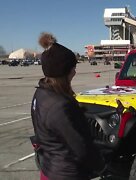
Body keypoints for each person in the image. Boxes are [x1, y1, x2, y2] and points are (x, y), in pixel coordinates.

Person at [31, 32, 105, 180]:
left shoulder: (40, 94)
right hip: (66, 173)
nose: (75, 72)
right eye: (72, 68)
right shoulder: (60, 106)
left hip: (49, 168)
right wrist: (101, 166)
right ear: (63, 72)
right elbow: (80, 147)